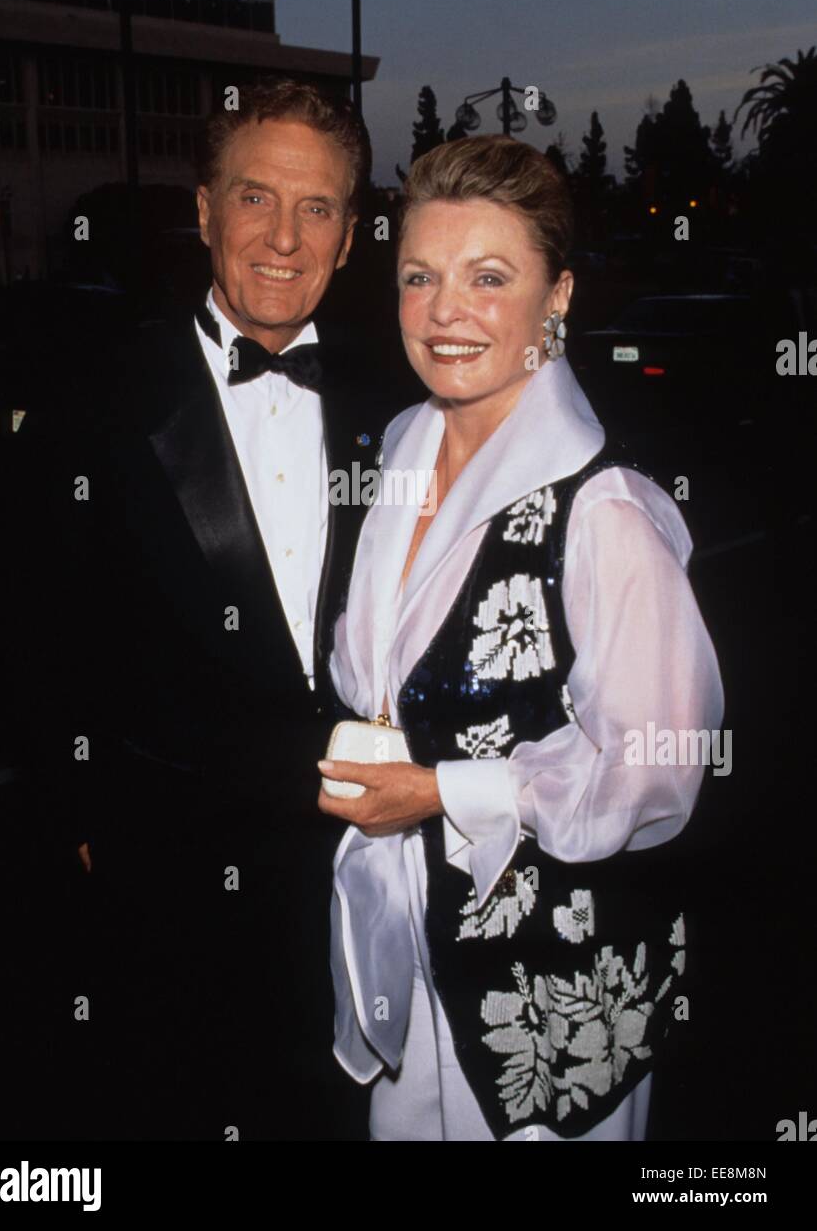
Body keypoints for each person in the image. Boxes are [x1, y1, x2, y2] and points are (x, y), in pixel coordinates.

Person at [319, 136, 724, 1141]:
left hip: (552, 1012)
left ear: (561, 297)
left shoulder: (607, 514)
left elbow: (655, 776)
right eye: (420, 275)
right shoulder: (405, 441)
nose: (446, 309)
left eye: (489, 277)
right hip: (412, 954)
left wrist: (446, 790)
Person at [14, 78, 395, 1140]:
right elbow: (43, 637)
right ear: (203, 210)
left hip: (360, 881)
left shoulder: (393, 405)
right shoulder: (100, 397)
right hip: (170, 885)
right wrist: (87, 832)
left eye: (317, 207)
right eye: (255, 198)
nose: (284, 236)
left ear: (351, 234)